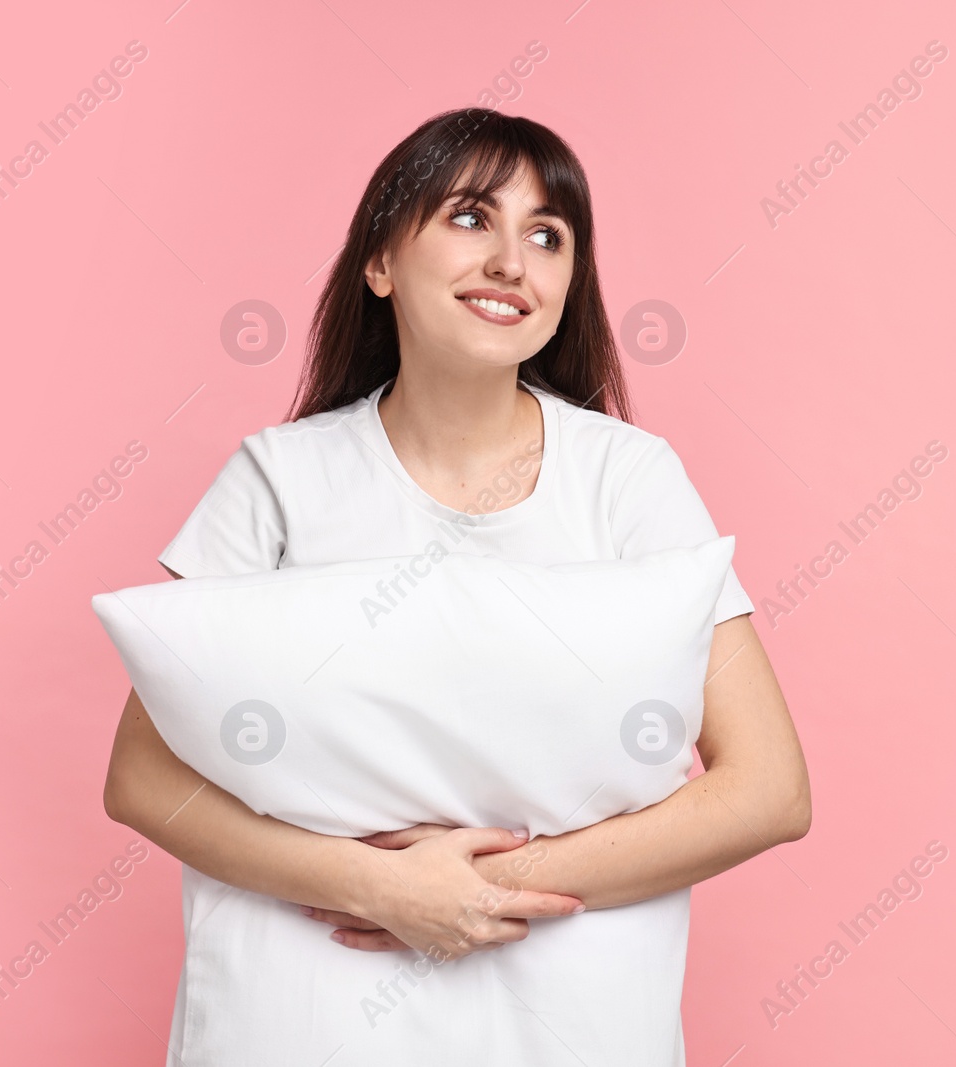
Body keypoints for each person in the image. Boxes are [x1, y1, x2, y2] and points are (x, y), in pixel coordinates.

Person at [103, 106, 811, 1065]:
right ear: (381, 262)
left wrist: (484, 887)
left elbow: (768, 789)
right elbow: (142, 777)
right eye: (472, 217)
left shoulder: (631, 481)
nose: (513, 261)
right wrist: (376, 886)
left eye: (548, 234)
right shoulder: (278, 480)